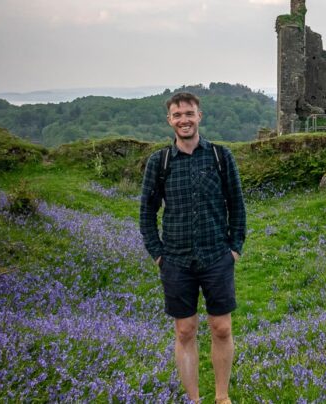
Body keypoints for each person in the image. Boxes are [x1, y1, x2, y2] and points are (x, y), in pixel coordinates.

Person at [139, 92, 246, 404]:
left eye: (189, 113)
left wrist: (235, 247)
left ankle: (222, 397)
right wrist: (157, 253)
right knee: (185, 331)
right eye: (177, 115)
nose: (183, 119)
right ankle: (194, 400)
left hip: (216, 256)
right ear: (169, 120)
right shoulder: (159, 162)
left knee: (222, 328)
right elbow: (146, 213)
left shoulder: (220, 156)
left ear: (200, 116)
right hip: (175, 259)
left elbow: (237, 206)